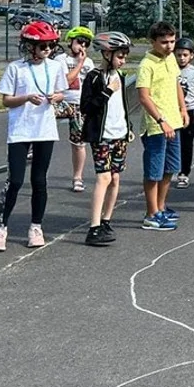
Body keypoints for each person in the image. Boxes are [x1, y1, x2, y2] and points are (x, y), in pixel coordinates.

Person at [0, 21, 68, 252]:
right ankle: (1, 228)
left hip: (44, 130)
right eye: (42, 46)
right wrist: (25, 98)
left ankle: (36, 227)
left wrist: (57, 98)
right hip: (21, 130)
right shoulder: (16, 68)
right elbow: (6, 100)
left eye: (50, 46)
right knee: (15, 181)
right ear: (29, 46)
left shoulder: (54, 67)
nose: (47, 50)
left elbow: (62, 92)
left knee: (39, 181)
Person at [79, 31, 133, 247]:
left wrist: (128, 126)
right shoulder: (94, 77)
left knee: (116, 178)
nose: (123, 60)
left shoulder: (120, 76)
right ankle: (93, 227)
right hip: (101, 136)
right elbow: (87, 107)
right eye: (120, 56)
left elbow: (122, 107)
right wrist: (106, 92)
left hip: (119, 134)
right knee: (104, 178)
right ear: (107, 54)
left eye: (125, 56)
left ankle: (106, 219)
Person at [137, 21, 188, 232]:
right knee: (154, 172)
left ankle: (161, 206)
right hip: (156, 126)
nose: (169, 46)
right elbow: (143, 96)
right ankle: (151, 214)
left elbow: (176, 84)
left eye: (172, 41)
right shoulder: (146, 65)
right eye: (164, 42)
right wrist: (161, 120)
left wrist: (183, 109)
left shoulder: (171, 59)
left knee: (170, 169)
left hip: (174, 123)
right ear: (153, 42)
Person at [61, 26, 96, 194]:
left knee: (78, 143)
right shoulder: (61, 60)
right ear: (71, 42)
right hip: (62, 101)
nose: (82, 46)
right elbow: (66, 82)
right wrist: (79, 64)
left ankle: (77, 177)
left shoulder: (89, 63)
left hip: (79, 105)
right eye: (79, 42)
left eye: (86, 43)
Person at [174, 38, 194, 189]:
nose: (182, 58)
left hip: (191, 109)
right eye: (178, 55)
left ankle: (184, 173)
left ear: (191, 55)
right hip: (173, 110)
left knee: (186, 143)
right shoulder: (170, 69)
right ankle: (169, 170)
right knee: (172, 142)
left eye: (185, 55)